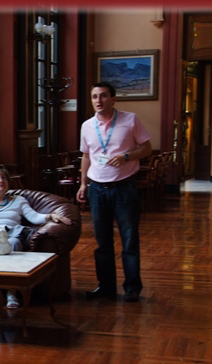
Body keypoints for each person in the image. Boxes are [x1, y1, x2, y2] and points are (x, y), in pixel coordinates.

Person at [76, 82, 152, 303]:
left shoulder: (130, 120)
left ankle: (132, 287)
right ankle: (106, 286)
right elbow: (86, 156)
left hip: (124, 188)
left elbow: (146, 148)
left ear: (113, 99)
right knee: (103, 243)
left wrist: (127, 156)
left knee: (129, 240)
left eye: (103, 96)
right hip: (97, 190)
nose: (98, 100)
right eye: (94, 97)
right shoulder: (87, 126)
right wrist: (83, 184)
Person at [0, 164, 71, 309]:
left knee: (12, 243)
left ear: (8, 183)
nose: (1, 180)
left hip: (12, 234)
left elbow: (34, 217)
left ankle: (11, 292)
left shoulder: (18, 200)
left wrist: (51, 216)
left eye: (4, 178)